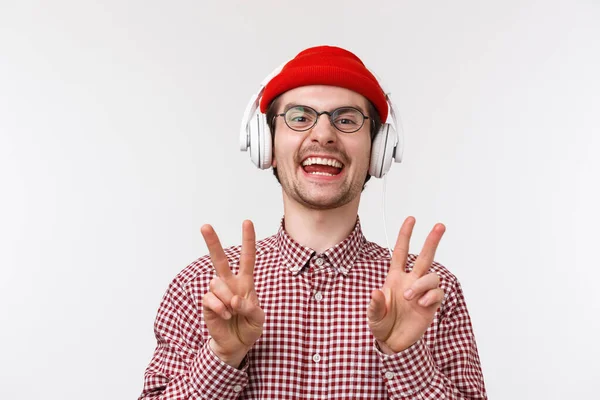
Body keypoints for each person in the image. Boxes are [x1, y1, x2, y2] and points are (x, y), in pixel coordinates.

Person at [138, 45, 487, 399]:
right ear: (266, 145)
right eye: (300, 117)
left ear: (377, 152)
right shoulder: (198, 288)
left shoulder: (429, 293)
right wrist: (222, 357)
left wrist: (407, 358)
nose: (323, 134)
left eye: (347, 119)